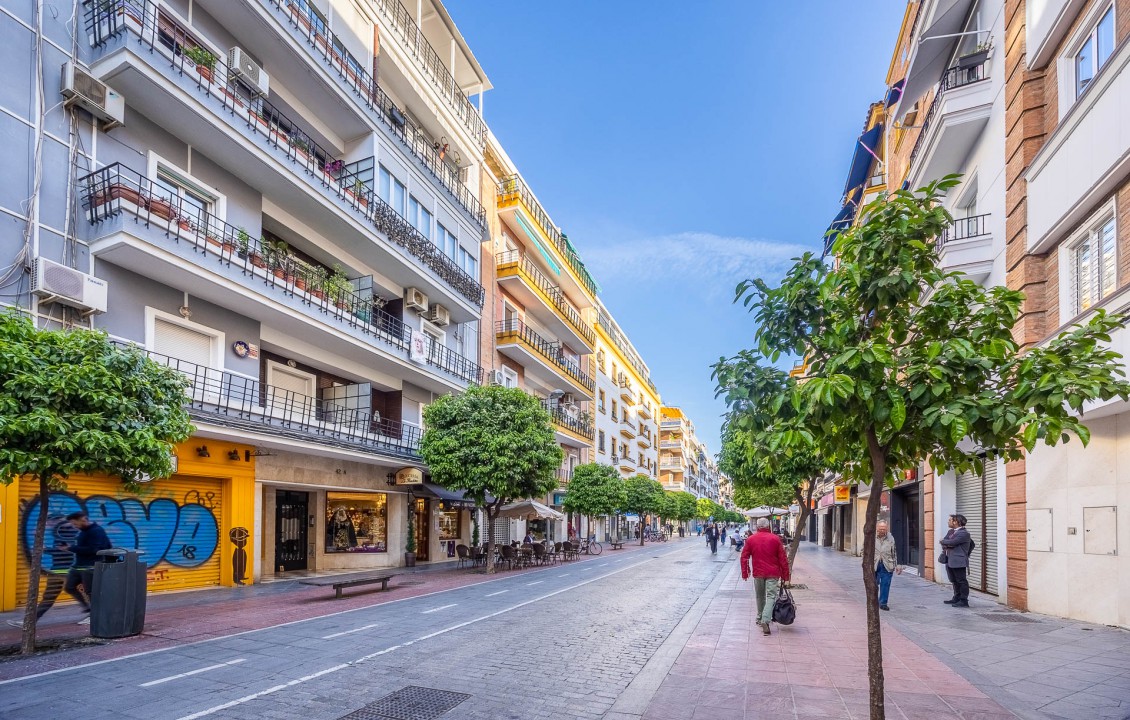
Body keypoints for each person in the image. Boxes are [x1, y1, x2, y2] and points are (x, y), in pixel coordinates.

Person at [741, 517, 791, 635]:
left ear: (757, 526)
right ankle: (765, 619)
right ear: (768, 526)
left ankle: (760, 618)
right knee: (771, 596)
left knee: (759, 596)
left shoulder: (751, 539)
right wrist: (786, 576)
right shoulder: (776, 539)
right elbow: (783, 559)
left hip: (758, 573)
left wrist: (745, 572)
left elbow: (744, 557)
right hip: (773, 573)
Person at [62, 511, 112, 618]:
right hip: (79, 565)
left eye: (75, 523)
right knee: (69, 587)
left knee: (91, 592)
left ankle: (97, 615)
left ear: (83, 519)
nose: (74, 526)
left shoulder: (97, 531)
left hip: (90, 566)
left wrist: (71, 548)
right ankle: (87, 607)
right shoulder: (83, 532)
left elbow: (94, 549)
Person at [940, 513, 973, 607]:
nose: (948, 521)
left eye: (950, 520)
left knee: (961, 581)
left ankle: (964, 600)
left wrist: (944, 542)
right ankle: (956, 597)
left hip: (959, 561)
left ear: (956, 522)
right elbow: (946, 543)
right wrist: (946, 543)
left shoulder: (964, 533)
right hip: (949, 559)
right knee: (954, 580)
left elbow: (952, 542)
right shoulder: (951, 532)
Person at [875, 521, 901, 611]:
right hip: (874, 564)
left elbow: (894, 552)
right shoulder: (871, 537)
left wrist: (897, 565)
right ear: (877, 528)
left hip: (887, 564)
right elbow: (864, 550)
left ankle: (883, 603)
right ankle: (873, 601)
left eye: (884, 528)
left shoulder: (890, 538)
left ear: (887, 528)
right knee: (874, 584)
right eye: (880, 528)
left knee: (885, 584)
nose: (882, 530)